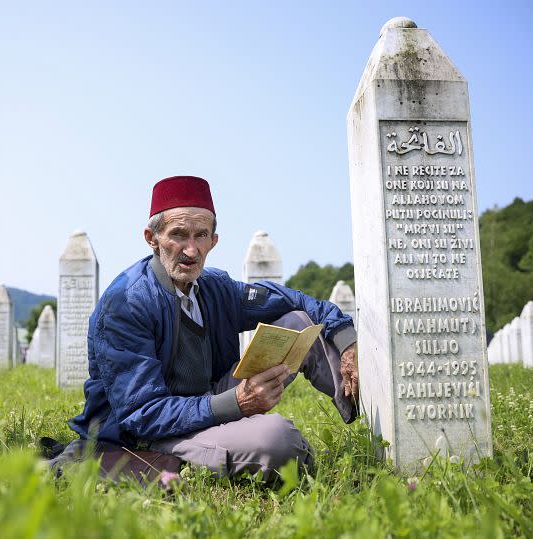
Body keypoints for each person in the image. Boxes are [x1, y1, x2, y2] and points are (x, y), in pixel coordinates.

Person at [61, 175, 359, 480]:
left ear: (213, 241)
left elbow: (296, 302)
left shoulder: (215, 287)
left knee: (299, 324)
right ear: (152, 238)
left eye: (201, 235)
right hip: (147, 432)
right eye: (178, 235)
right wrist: (236, 403)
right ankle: (181, 459)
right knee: (278, 440)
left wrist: (347, 342)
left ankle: (376, 423)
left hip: (209, 403)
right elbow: (142, 414)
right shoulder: (127, 302)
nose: (191, 250)